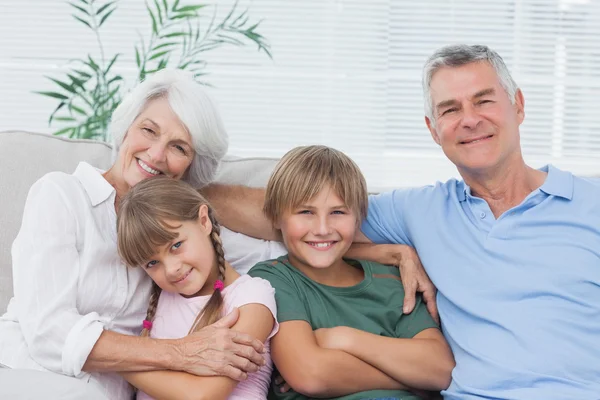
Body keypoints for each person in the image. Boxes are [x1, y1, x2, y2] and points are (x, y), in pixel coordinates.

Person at [201, 45, 600, 399]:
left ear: (519, 106)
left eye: (484, 101)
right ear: (432, 129)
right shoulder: (418, 210)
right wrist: (389, 249)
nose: (469, 120)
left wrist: (341, 337)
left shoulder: (589, 204)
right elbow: (306, 218)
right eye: (450, 109)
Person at [0, 69, 285, 400]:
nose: (156, 154)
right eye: (148, 130)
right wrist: (181, 352)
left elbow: (291, 239)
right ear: (125, 129)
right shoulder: (61, 194)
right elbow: (50, 333)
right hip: (28, 374)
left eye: (179, 147)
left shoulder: (185, 231)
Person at [247, 145, 454, 400]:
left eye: (337, 212)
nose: (322, 229)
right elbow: (311, 374)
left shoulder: (391, 281)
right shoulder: (274, 279)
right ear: (276, 218)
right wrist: (413, 381)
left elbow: (442, 370)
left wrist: (342, 339)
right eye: (305, 212)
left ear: (358, 218)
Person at [116, 177, 278, 400]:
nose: (171, 269)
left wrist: (115, 360)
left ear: (204, 221)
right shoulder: (160, 300)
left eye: (176, 245)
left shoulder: (251, 296)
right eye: (152, 263)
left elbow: (203, 395)